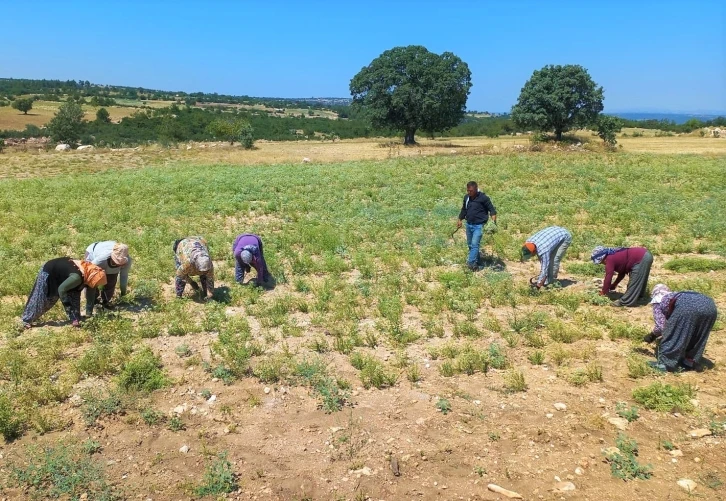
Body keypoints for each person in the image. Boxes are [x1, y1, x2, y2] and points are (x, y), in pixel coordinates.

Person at [644, 284, 717, 372]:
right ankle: (690, 361)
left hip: (687, 305)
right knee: (698, 334)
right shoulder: (675, 295)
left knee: (674, 333)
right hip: (710, 305)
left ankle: (665, 364)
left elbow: (661, 327)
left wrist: (652, 335)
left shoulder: (658, 301)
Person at [21, 258, 107, 329]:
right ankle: (26, 320)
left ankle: (75, 319)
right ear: (91, 279)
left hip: (66, 275)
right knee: (44, 299)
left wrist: (89, 314)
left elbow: (91, 294)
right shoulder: (77, 278)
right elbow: (61, 290)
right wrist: (67, 306)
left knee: (75, 297)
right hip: (50, 272)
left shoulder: (90, 276)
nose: (95, 286)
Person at [457, 181, 497, 270]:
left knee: (475, 244)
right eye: (468, 190)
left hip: (479, 226)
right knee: (470, 245)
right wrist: (460, 219)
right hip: (469, 224)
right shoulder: (467, 198)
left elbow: (492, 210)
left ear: (476, 189)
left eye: (471, 191)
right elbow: (464, 209)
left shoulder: (484, 198)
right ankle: (478, 262)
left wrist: (493, 223)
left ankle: (470, 264)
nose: (469, 192)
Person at [84, 241, 132, 316]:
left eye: (119, 263)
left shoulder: (127, 261)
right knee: (93, 280)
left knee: (111, 280)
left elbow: (124, 276)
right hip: (93, 252)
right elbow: (87, 274)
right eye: (116, 261)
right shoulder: (101, 260)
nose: (117, 264)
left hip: (105, 258)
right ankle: (94, 301)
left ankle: (105, 301)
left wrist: (123, 293)